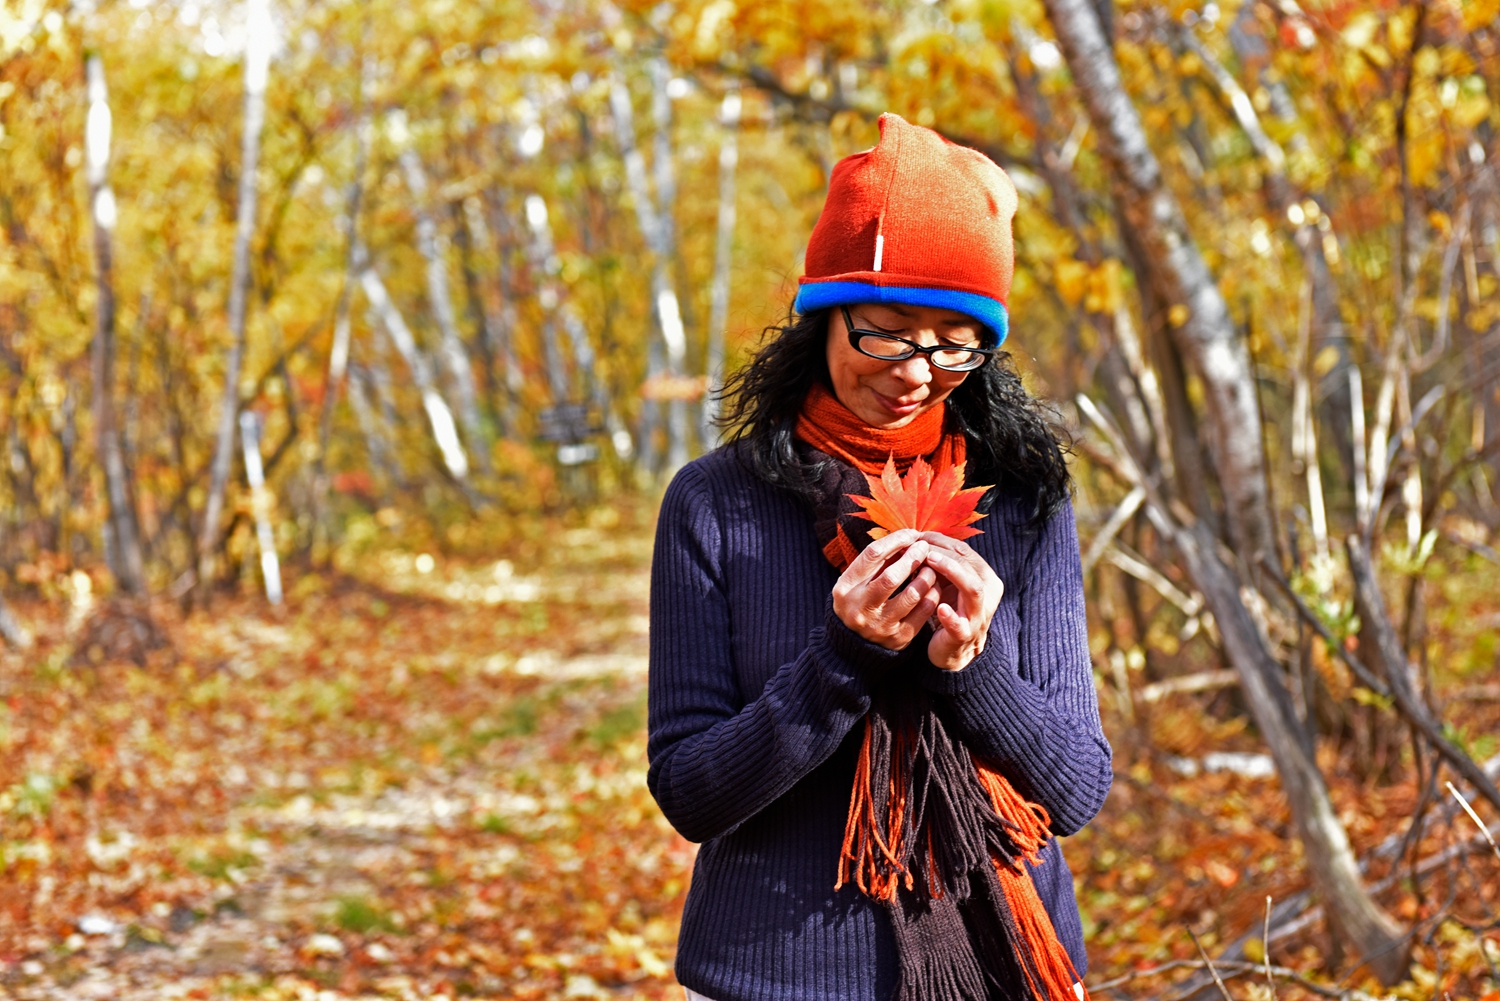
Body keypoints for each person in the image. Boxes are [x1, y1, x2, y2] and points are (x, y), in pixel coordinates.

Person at [647, 113, 1111, 1001]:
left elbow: (1079, 787)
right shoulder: (716, 503)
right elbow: (690, 792)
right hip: (778, 975)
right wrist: (842, 660)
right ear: (823, 314)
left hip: (1010, 965)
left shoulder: (1021, 501)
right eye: (888, 330)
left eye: (954, 340)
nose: (915, 369)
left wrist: (969, 671)